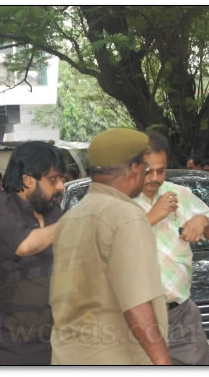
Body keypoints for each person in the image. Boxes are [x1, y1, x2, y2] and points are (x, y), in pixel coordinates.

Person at [50, 129, 171, 365]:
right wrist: (164, 363)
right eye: (145, 168)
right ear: (135, 168)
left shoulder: (71, 217)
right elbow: (137, 303)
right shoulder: (126, 216)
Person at [133, 131, 209, 365]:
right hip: (133, 321)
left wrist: (203, 220)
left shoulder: (180, 194)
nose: (154, 178)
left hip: (180, 315)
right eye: (147, 171)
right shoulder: (119, 201)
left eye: (160, 171)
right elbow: (107, 246)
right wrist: (152, 216)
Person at [0, 141, 65, 365]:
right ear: (27, 180)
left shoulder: (54, 213)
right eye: (53, 179)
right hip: (11, 346)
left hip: (56, 341)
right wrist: (79, 220)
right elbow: (25, 245)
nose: (61, 186)